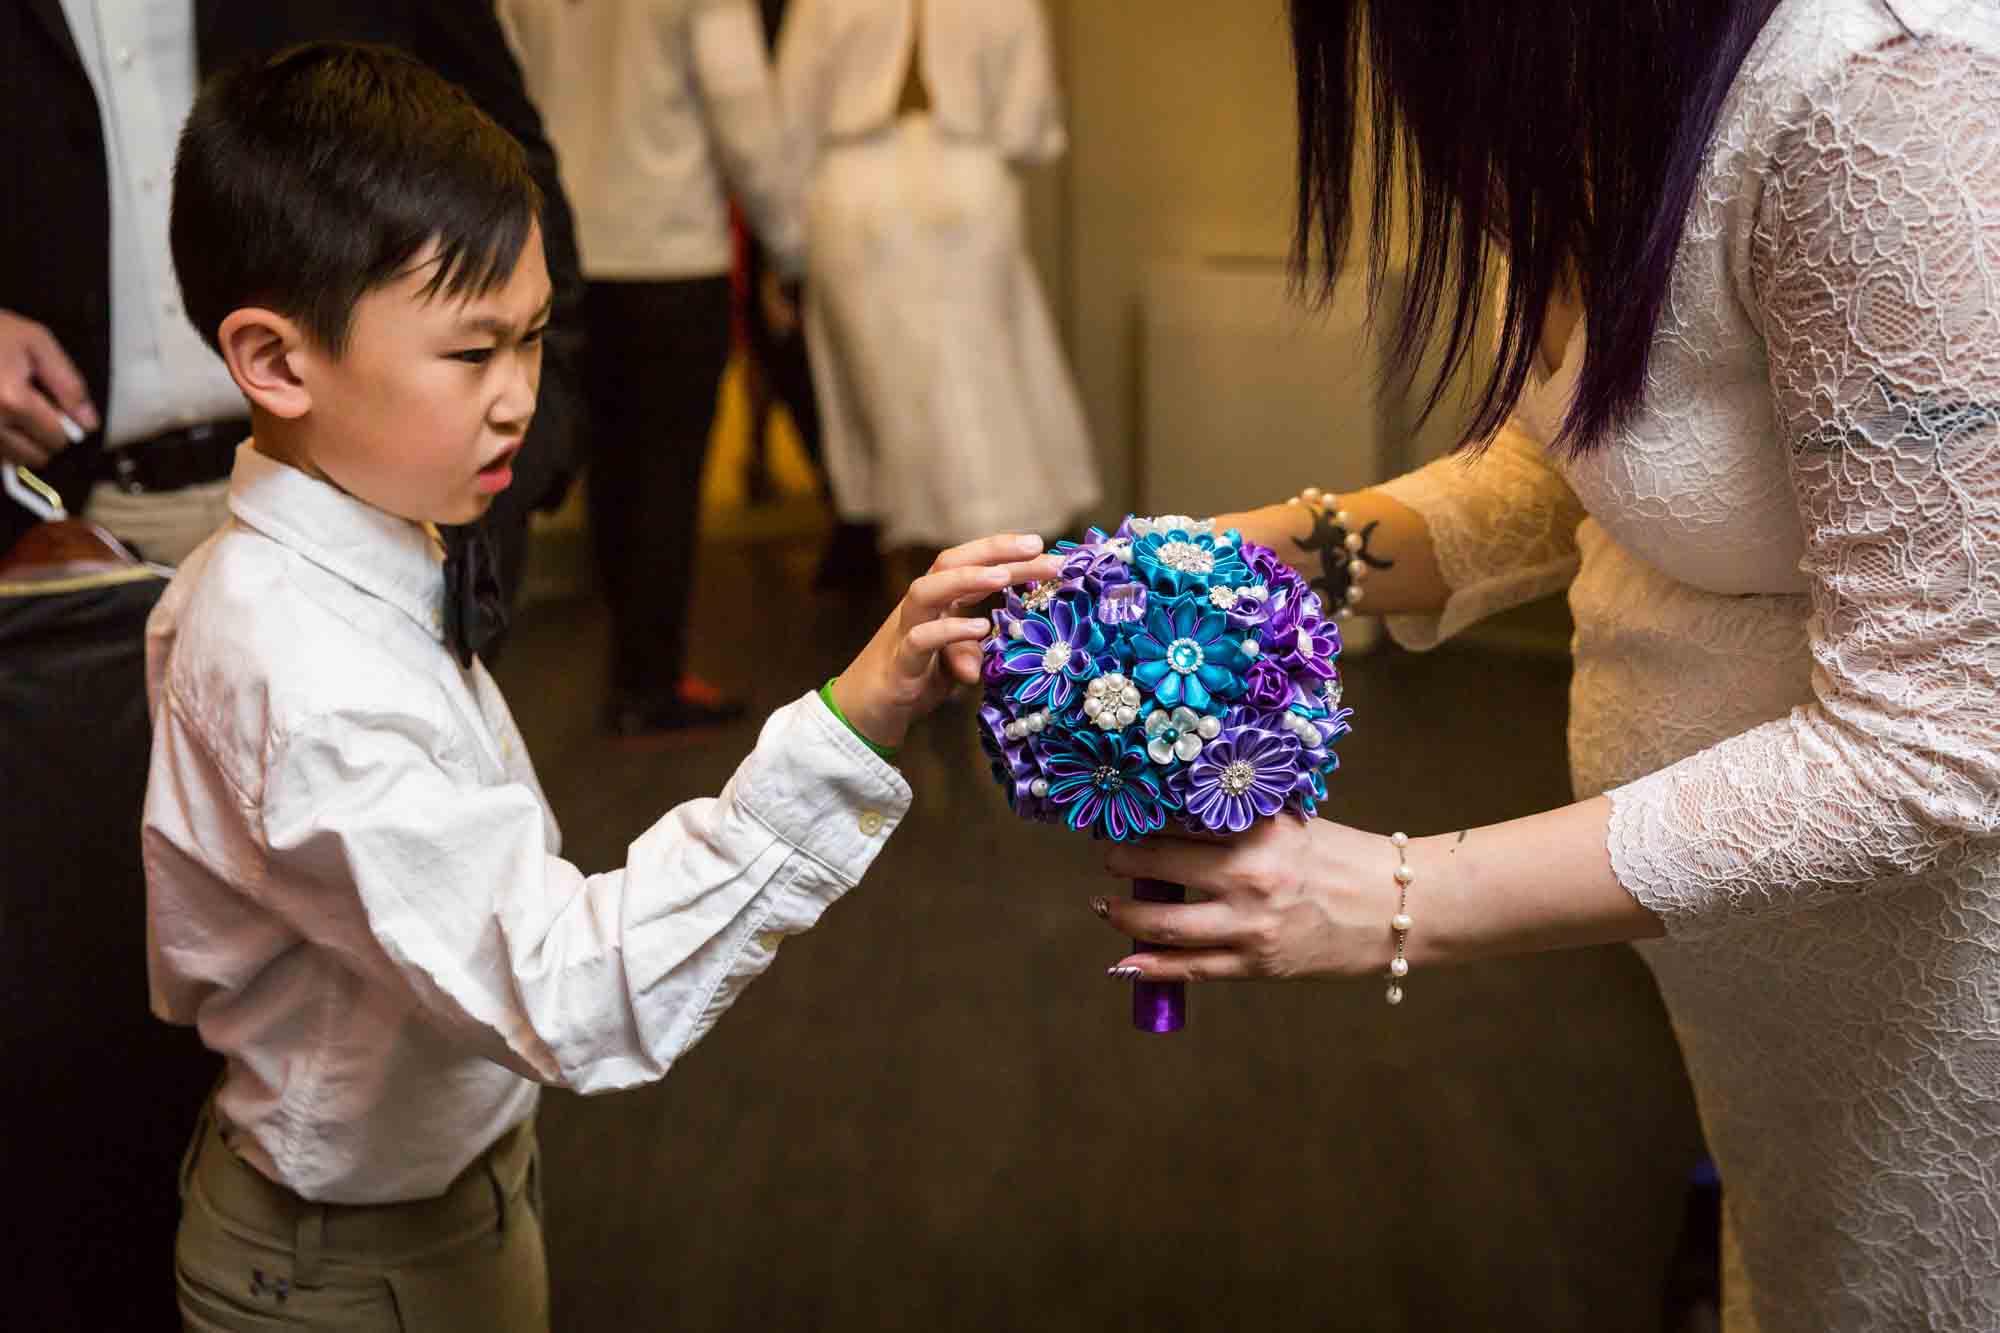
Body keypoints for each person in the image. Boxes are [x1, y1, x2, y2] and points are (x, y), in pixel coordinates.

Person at [1091, 2, 2000, 1329]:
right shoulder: (1608, 89)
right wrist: (1265, 561)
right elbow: (1596, 454)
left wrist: (1393, 894)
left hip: (1935, 997)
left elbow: (1935, 737)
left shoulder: (1883, 102)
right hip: (1764, 993)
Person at [151, 43, 1059, 1329]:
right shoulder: (294, 666)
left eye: (530, 339)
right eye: (472, 355)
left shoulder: (368, 527)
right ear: (278, 362)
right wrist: (853, 714)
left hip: (452, 1193)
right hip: (341, 1266)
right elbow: (568, 991)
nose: (519, 399)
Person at [500, 0, 807, 740]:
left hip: (560, 245)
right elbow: (743, 112)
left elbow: (506, 83)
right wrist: (791, 246)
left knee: (606, 462)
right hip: (669, 250)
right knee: (667, 475)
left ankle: (628, 661)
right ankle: (649, 677)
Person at [776, 0, 1102, 559]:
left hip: (852, 189)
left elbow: (789, 117)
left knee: (889, 397)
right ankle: (1001, 571)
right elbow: (1028, 127)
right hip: (968, 174)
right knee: (988, 374)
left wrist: (782, 247)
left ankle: (925, 588)